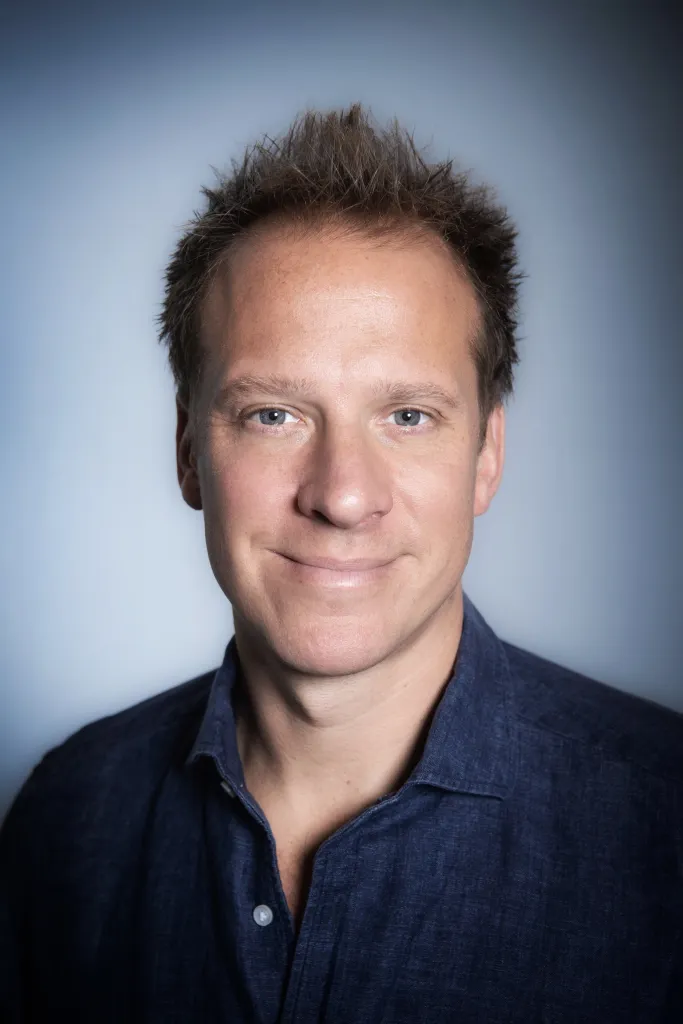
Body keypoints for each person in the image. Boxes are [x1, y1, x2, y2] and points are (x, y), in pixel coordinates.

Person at [1, 102, 681, 1024]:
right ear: (190, 453)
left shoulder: (664, 824)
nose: (342, 494)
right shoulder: (63, 820)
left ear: (485, 458)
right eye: (272, 413)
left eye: (407, 416)